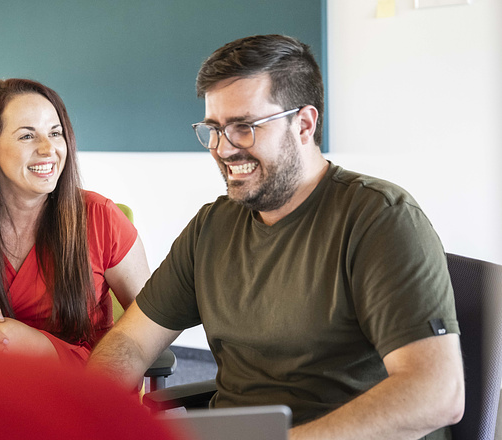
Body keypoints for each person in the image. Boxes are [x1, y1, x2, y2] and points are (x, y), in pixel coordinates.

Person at [88, 35, 464, 439]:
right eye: (214, 129)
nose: (222, 149)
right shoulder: (212, 226)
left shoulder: (380, 219)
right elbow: (132, 340)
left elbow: (437, 393)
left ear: (304, 124)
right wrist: (86, 409)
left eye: (244, 127)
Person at [0, 78, 150, 366]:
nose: (48, 149)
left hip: (86, 381)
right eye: (27, 136)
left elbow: (152, 322)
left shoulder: (102, 218)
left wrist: (40, 347)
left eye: (55, 133)